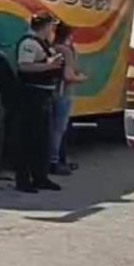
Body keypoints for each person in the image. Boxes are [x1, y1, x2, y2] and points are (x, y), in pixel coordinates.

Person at [14, 12, 64, 193]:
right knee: (28, 139)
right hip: (31, 96)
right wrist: (49, 65)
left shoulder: (44, 44)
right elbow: (23, 66)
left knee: (42, 140)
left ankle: (40, 178)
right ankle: (23, 180)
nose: (54, 29)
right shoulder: (29, 43)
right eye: (52, 25)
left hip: (44, 96)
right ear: (44, 26)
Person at [50, 22, 88, 177]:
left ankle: (54, 159)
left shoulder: (52, 47)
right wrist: (82, 78)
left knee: (51, 129)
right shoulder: (66, 50)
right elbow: (68, 76)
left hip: (50, 93)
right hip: (63, 93)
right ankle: (55, 161)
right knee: (59, 130)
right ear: (69, 35)